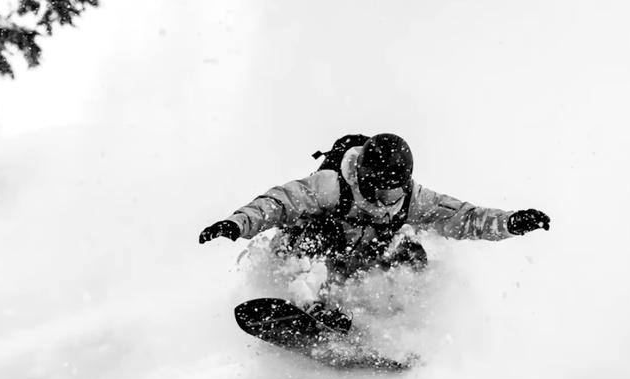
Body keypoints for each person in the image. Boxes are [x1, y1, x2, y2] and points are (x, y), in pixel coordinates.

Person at [199, 133, 549, 335]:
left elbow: (465, 218)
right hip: (304, 258)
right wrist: (237, 223)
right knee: (323, 231)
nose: (388, 202)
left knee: (410, 252)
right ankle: (309, 306)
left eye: (395, 192)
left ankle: (394, 325)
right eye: (382, 192)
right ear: (367, 179)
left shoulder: (413, 199)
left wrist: (511, 223)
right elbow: (278, 202)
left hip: (353, 268)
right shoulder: (330, 187)